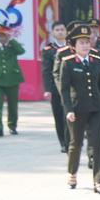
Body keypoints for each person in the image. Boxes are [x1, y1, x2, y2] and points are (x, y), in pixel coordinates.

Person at [58, 23, 100, 195]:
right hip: (77, 109)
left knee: (98, 144)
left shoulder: (97, 61)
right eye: (81, 42)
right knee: (76, 144)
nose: (86, 45)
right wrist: (68, 110)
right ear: (73, 46)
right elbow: (64, 90)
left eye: (87, 41)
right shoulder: (68, 63)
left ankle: (98, 181)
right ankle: (72, 173)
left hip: (96, 108)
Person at [41, 20, 69, 151]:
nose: (60, 32)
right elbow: (46, 71)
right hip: (55, 87)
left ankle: (72, 140)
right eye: (57, 30)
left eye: (62, 29)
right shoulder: (48, 50)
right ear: (53, 33)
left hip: (71, 87)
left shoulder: (72, 47)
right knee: (59, 115)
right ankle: (63, 142)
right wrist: (47, 89)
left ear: (66, 31)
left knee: (70, 114)